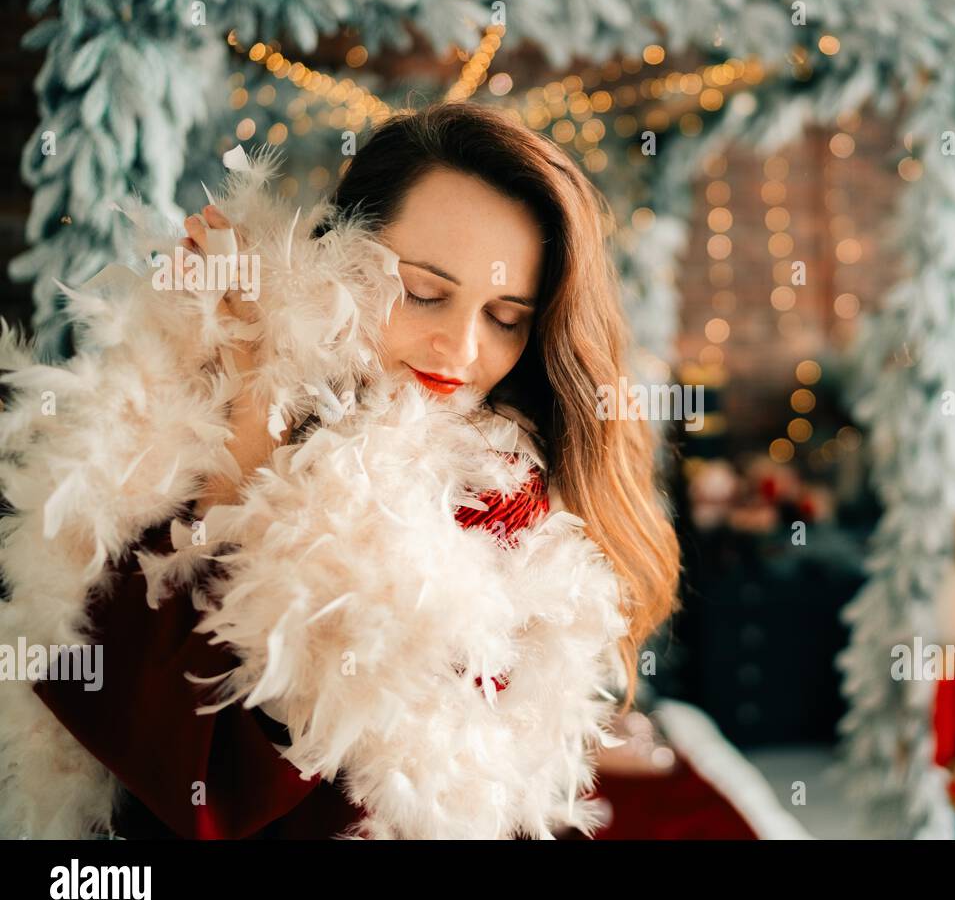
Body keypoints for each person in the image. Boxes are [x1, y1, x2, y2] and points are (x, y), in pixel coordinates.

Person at [0, 101, 682, 839]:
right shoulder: (187, 400)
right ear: (338, 256)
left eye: (506, 316)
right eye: (423, 291)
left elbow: (219, 792)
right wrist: (244, 393)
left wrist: (249, 445)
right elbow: (84, 663)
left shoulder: (498, 507)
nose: (459, 348)